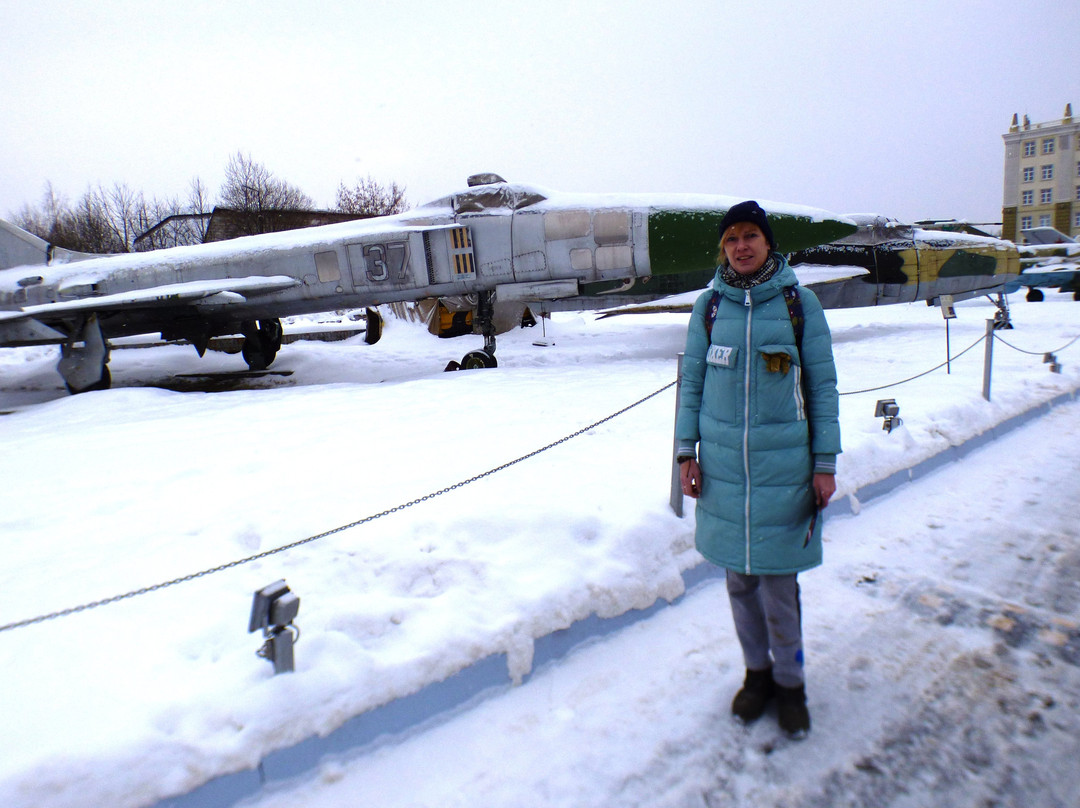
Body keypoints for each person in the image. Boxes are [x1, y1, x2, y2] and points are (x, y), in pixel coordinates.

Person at [674, 200, 840, 739]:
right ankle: (757, 676)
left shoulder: (800, 304)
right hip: (723, 471)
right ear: (723, 249)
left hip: (783, 470)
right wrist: (684, 453)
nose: (741, 246)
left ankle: (791, 685)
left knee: (778, 588)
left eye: (750, 236)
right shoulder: (709, 308)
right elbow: (691, 385)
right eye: (731, 239)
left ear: (768, 244)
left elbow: (822, 387)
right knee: (739, 584)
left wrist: (824, 463)